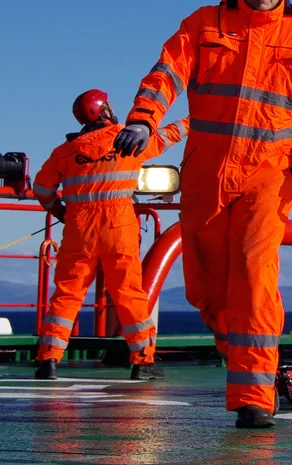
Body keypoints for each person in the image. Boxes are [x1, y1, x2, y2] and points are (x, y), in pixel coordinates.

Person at [113, 0, 292, 429]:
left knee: (257, 277)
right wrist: (142, 119)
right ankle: (245, 360)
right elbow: (166, 74)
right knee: (206, 285)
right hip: (207, 174)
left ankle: (255, 397)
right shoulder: (204, 24)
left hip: (269, 174)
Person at [31, 89, 189, 381]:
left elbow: (41, 188)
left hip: (79, 230)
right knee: (128, 293)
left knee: (67, 293)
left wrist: (61, 211)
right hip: (118, 227)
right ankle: (142, 362)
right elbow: (166, 137)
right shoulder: (126, 140)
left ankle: (48, 360)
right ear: (104, 110)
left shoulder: (65, 152)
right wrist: (194, 121)